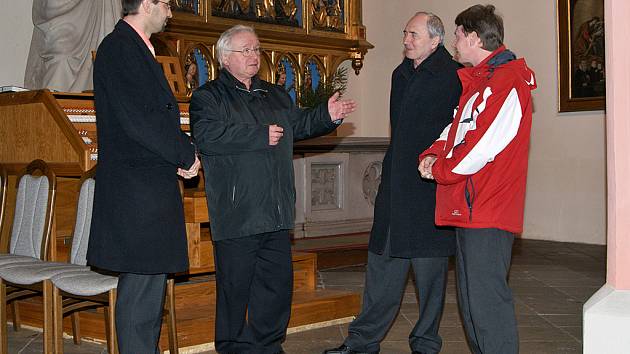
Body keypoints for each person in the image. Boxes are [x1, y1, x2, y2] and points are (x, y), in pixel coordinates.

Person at [189, 24, 356, 354]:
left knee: (276, 289)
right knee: (235, 291)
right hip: (238, 212)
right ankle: (235, 348)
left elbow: (298, 126)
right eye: (246, 50)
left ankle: (266, 346)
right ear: (225, 58)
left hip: (276, 209)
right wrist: (258, 136)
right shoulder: (208, 97)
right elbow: (207, 137)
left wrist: (327, 115)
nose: (254, 56)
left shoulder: (274, 94)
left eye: (256, 49)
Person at [324, 12, 461, 354]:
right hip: (397, 184)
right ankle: (362, 342)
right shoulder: (400, 74)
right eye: (405, 33)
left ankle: (426, 343)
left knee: (430, 275)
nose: (405, 40)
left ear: (435, 39)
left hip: (430, 186)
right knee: (382, 267)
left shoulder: (455, 76)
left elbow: (458, 133)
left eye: (413, 34)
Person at [419, 5, 536, 354]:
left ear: (472, 36)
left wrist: (439, 169)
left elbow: (481, 146)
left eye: (456, 35)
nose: (453, 43)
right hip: (471, 206)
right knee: (471, 305)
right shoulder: (480, 80)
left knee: (487, 304)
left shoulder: (508, 81)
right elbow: (457, 130)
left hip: (488, 206)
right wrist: (432, 153)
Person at [86, 0, 201, 352]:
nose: (170, 12)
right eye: (166, 4)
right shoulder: (120, 48)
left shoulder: (135, 48)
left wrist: (181, 153)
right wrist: (185, 153)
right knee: (139, 297)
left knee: (149, 292)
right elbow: (141, 120)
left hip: (147, 188)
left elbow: (149, 118)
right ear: (147, 4)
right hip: (136, 193)